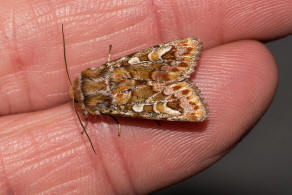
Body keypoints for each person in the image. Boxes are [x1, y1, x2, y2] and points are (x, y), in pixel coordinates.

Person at [0, 0, 290, 194]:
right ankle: (180, 75)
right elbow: (116, 65)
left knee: (150, 103)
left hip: (135, 100)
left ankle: (181, 98)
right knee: (148, 65)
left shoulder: (100, 105)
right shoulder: (102, 72)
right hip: (142, 68)